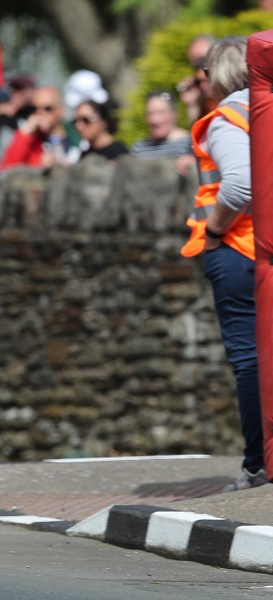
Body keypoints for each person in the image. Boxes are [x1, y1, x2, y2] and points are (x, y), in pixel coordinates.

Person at [179, 35, 266, 492]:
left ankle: (258, 463)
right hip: (265, 250)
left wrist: (213, 232)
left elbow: (240, 188)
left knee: (249, 360)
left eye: (207, 73)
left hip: (238, 250)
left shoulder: (228, 116)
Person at [0, 85, 79, 171]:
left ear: (61, 111)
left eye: (47, 108)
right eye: (34, 109)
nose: (40, 113)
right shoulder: (28, 140)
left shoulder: (76, 142)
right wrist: (25, 132)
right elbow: (5, 171)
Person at [130, 91, 192, 158]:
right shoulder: (139, 148)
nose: (155, 120)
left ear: (175, 114)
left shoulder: (189, 146)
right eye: (150, 113)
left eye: (161, 112)